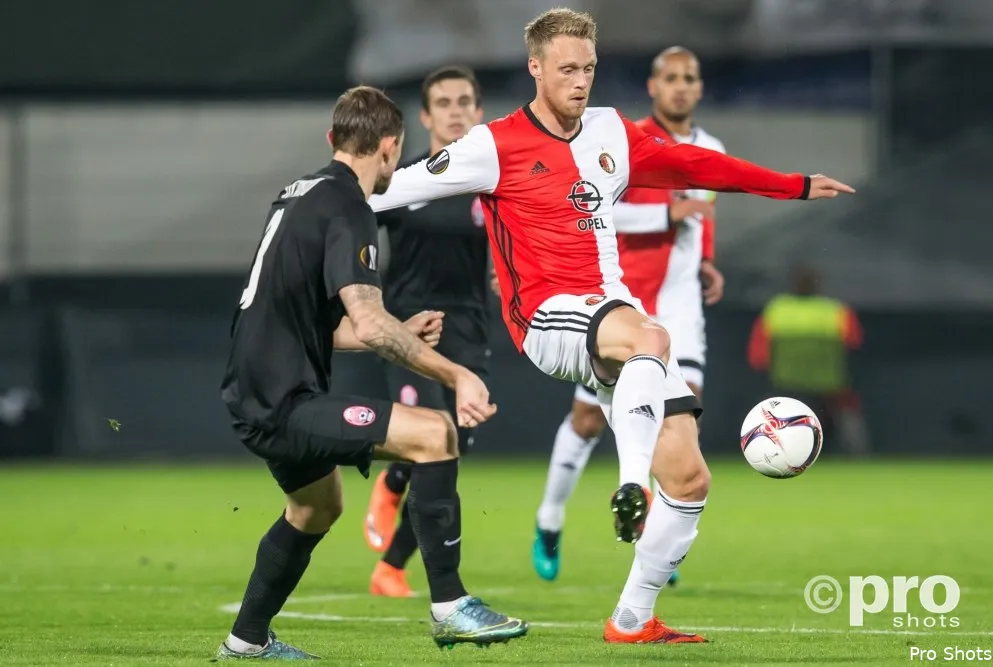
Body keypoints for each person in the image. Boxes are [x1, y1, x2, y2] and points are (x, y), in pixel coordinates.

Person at [369, 8, 854, 645]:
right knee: (652, 337)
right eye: (567, 68)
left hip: (607, 316)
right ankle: (629, 486)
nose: (580, 81)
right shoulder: (493, 145)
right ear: (535, 68)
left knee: (689, 478)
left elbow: (693, 166)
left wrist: (790, 185)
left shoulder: (609, 132)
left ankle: (632, 618)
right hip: (543, 319)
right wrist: (306, 206)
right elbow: (388, 191)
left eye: (589, 68)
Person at [216, 86, 527, 659]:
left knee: (317, 508)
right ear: (390, 147)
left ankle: (246, 641)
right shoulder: (349, 206)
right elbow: (370, 321)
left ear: (332, 139)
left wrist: (399, 328)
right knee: (435, 434)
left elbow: (323, 322)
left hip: (256, 389)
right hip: (283, 401)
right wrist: (457, 373)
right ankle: (452, 607)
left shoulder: (297, 194)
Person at [531, 46, 725, 587]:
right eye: (671, 78)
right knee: (589, 420)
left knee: (684, 418)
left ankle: (657, 543)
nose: (681, 87)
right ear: (653, 85)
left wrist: (707, 259)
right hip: (623, 305)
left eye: (690, 77)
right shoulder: (620, 140)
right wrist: (668, 211)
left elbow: (705, 213)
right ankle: (550, 519)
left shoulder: (710, 147)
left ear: (699, 88)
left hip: (680, 307)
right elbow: (598, 210)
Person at [362, 65, 491, 599]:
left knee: (454, 447)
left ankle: (391, 562)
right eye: (444, 102)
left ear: (479, 112)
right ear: (425, 115)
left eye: (464, 101)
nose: (455, 110)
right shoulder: (404, 180)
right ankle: (392, 506)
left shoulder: (492, 186)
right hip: (409, 325)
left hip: (470, 325)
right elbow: (356, 227)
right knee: (428, 437)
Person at [748, 265, 870, 456]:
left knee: (766, 407)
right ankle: (857, 454)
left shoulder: (776, 310)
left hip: (786, 385)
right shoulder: (835, 311)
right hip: (829, 384)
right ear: (819, 286)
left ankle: (763, 449)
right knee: (848, 408)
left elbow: (758, 358)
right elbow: (856, 344)